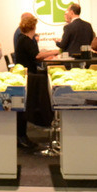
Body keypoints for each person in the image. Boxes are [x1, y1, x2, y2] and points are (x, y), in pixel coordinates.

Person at [15, 16, 58, 149]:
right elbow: (37, 56)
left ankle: (22, 136)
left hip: (27, 74)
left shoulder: (23, 39)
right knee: (24, 107)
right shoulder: (26, 40)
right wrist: (55, 52)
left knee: (24, 108)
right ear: (33, 27)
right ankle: (21, 137)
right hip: (28, 76)